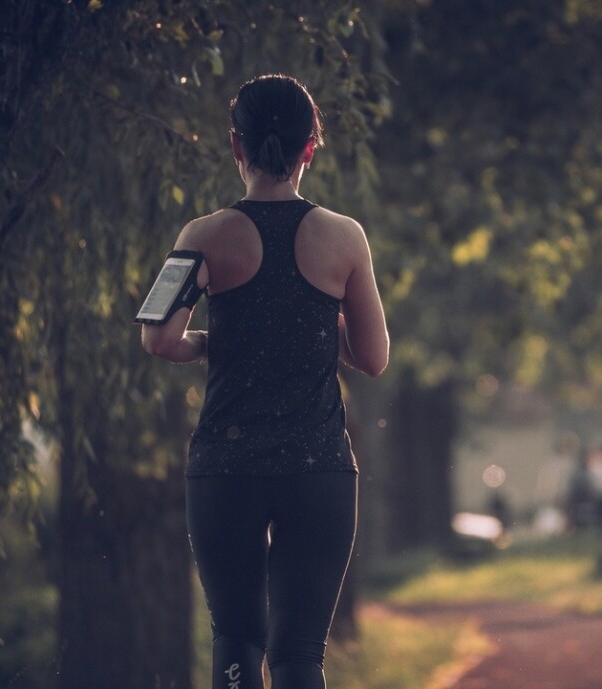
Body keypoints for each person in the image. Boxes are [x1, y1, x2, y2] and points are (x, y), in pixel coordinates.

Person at [140, 74, 388, 689]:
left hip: (226, 467)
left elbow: (158, 339)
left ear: (235, 146)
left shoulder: (200, 236)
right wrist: (310, 328)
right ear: (311, 147)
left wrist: (215, 341)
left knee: (236, 639)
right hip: (319, 468)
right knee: (301, 655)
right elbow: (374, 356)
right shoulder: (345, 237)